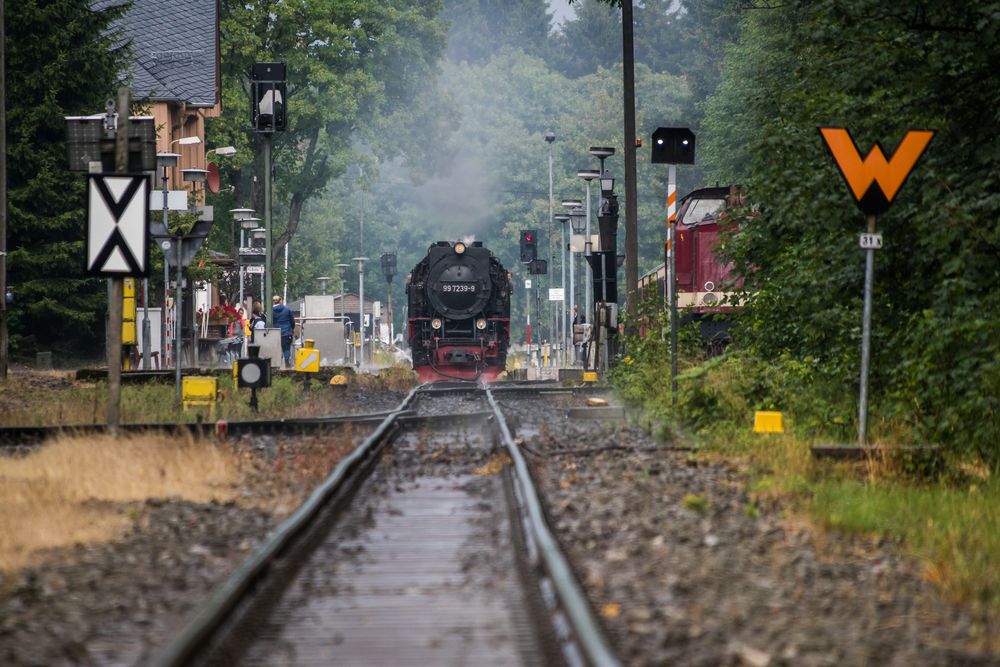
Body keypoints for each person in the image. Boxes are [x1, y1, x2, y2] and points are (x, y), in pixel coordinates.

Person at [272, 295, 295, 367]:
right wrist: (292, 328)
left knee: (276, 349)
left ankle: (276, 364)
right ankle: (287, 362)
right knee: (286, 348)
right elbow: (292, 320)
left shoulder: (271, 311)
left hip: (276, 332)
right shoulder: (287, 309)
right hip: (286, 332)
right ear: (280, 300)